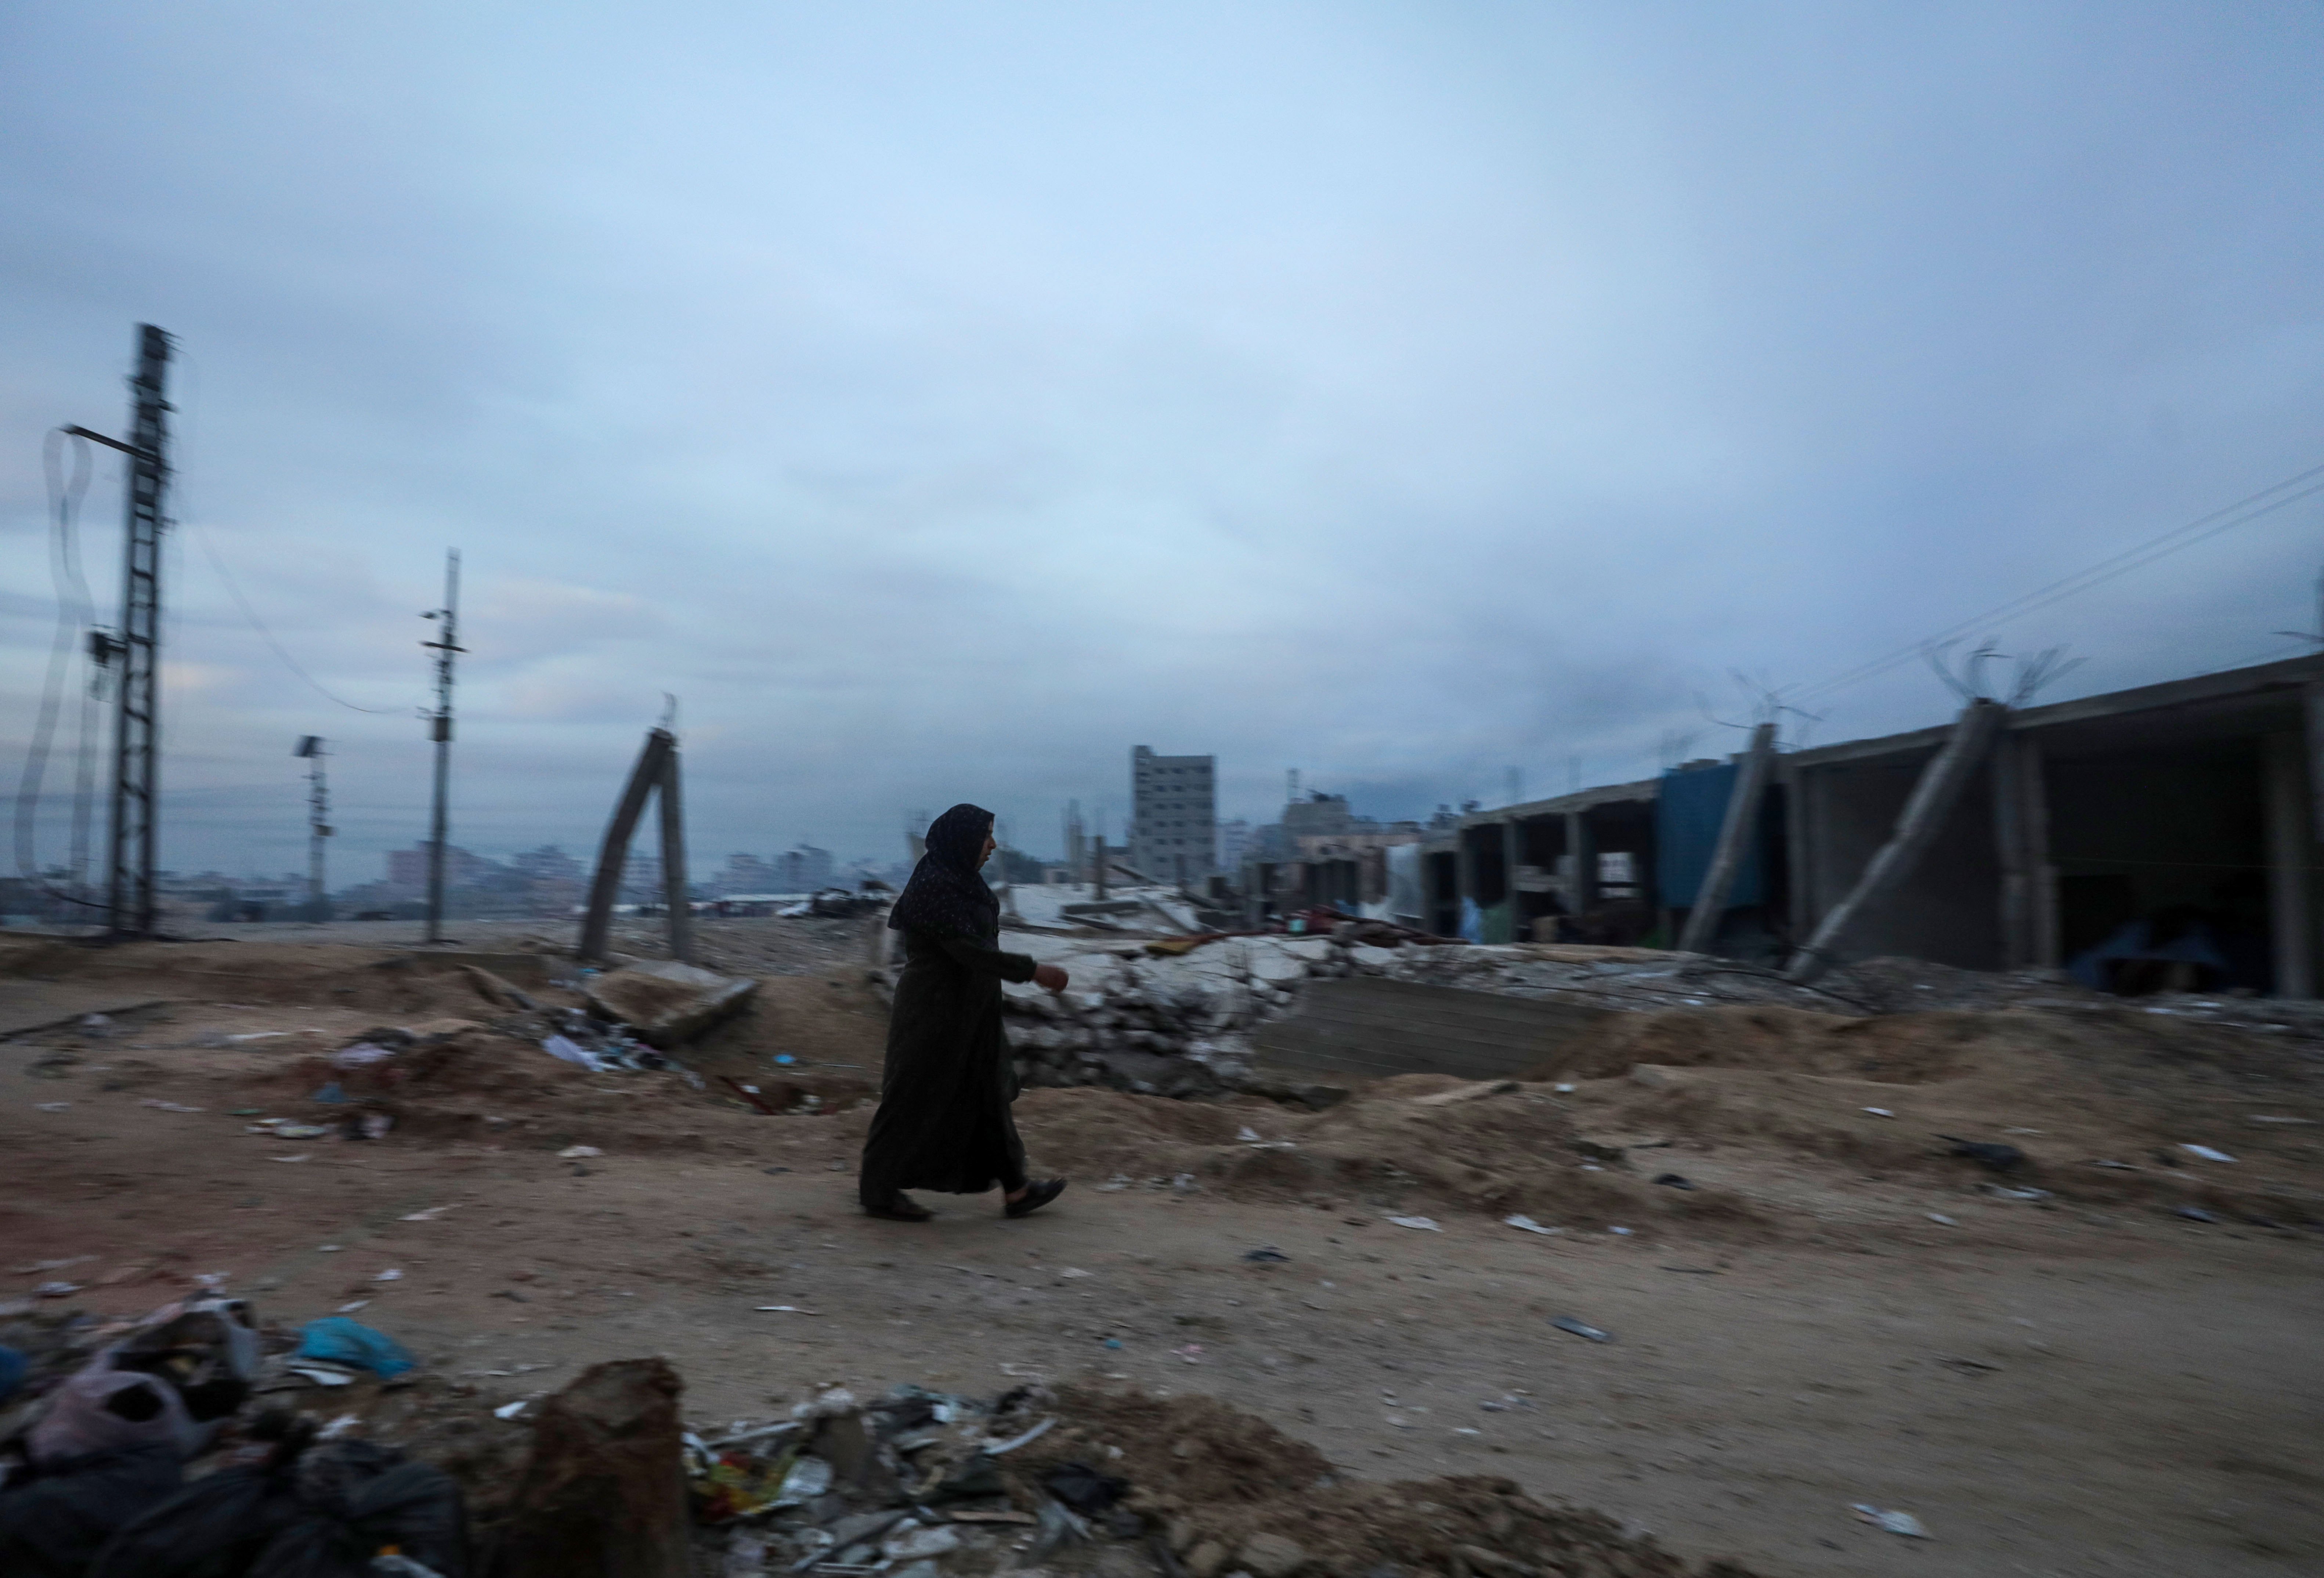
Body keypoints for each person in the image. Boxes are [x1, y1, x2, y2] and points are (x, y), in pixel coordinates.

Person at [858, 803, 1070, 1222]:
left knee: (990, 1095)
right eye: (985, 836)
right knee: (910, 1099)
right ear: (962, 840)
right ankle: (878, 1190)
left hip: (973, 1011)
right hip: (933, 1013)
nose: (992, 845)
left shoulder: (962, 881)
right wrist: (1034, 971)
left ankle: (1017, 1190)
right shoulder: (936, 885)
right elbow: (968, 952)